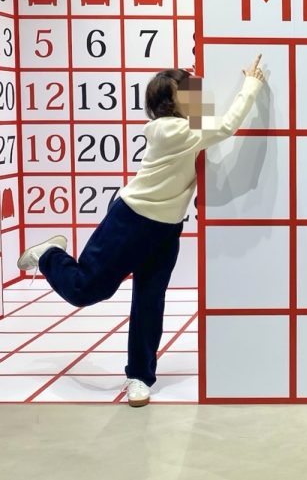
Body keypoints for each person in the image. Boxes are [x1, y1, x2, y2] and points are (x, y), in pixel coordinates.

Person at [17, 56, 266, 407]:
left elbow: (207, 118)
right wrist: (252, 84)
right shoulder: (170, 130)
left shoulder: (187, 127)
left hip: (166, 228)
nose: (193, 94)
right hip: (132, 219)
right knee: (86, 289)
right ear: (168, 101)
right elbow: (224, 126)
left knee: (150, 302)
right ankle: (49, 254)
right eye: (185, 90)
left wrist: (196, 79)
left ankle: (140, 376)